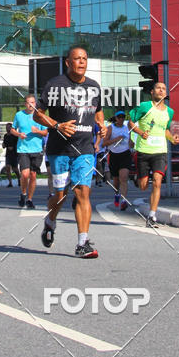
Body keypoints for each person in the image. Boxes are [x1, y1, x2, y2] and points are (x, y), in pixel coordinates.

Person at [34, 46, 105, 258]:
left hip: (84, 150)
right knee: (60, 195)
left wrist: (102, 128)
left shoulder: (94, 87)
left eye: (84, 58)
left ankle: (83, 243)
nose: (81, 62)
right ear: (68, 62)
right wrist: (57, 126)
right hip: (59, 150)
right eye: (77, 59)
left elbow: (99, 114)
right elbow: (38, 114)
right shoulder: (55, 85)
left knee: (83, 192)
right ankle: (50, 222)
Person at [129, 82, 179, 228]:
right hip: (143, 151)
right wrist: (140, 132)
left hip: (160, 151)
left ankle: (152, 216)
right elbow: (130, 123)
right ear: (152, 92)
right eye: (158, 88)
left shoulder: (169, 112)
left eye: (164, 89)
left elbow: (165, 130)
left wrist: (172, 139)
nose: (161, 90)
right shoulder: (144, 106)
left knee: (157, 182)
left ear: (166, 93)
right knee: (143, 186)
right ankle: (138, 177)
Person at [12, 95, 47, 209]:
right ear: (25, 104)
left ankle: (30, 199)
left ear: (35, 103)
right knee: (25, 174)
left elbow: (46, 132)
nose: (30, 105)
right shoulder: (19, 115)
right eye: (28, 103)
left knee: (33, 175)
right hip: (23, 149)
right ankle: (23, 193)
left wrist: (37, 131)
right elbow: (12, 129)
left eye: (32, 102)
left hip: (37, 149)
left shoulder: (40, 115)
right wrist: (19, 134)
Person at [103, 109, 132, 210]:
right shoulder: (110, 128)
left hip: (125, 154)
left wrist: (132, 144)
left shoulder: (127, 127)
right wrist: (116, 139)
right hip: (114, 155)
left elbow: (130, 141)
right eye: (119, 117)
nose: (121, 119)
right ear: (115, 118)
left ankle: (124, 200)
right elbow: (104, 143)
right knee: (116, 180)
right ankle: (116, 194)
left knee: (123, 177)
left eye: (123, 117)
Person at [2, 122, 20, 187]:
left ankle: (19, 178)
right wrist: (4, 145)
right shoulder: (5, 136)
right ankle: (10, 182)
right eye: (6, 127)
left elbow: (18, 144)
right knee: (7, 167)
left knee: (15, 168)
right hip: (8, 154)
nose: (7, 129)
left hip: (14, 154)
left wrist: (13, 147)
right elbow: (4, 144)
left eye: (9, 127)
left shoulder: (15, 135)